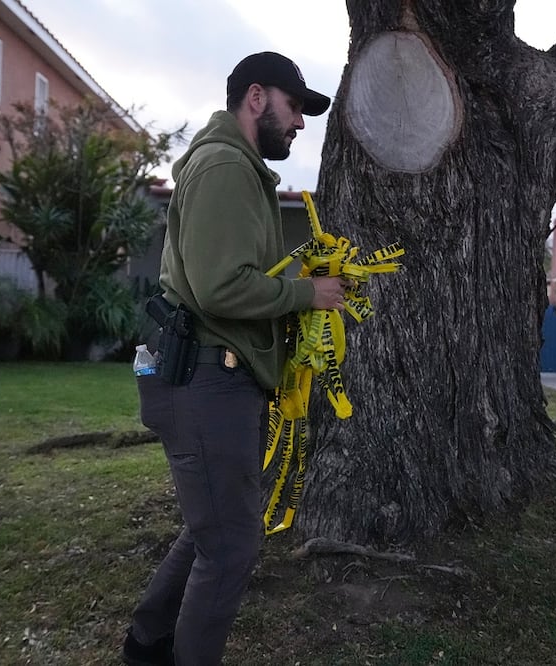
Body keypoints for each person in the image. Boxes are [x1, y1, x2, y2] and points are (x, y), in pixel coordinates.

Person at [122, 52, 347, 666]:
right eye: (294, 106)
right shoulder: (224, 166)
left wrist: (302, 274)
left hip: (212, 377)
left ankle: (146, 643)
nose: (299, 123)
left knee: (211, 530)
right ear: (256, 97)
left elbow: (234, 274)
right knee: (231, 546)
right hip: (204, 379)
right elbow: (222, 286)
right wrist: (308, 293)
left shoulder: (235, 167)